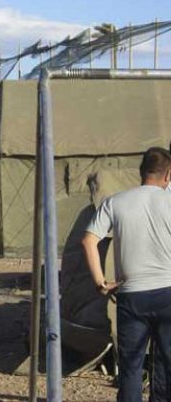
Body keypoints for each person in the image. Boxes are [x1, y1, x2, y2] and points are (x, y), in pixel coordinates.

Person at [82, 147, 171, 402]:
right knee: (166, 360)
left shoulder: (116, 202)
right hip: (168, 293)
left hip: (131, 296)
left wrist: (100, 282)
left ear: (142, 172)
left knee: (131, 367)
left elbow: (88, 241)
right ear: (168, 175)